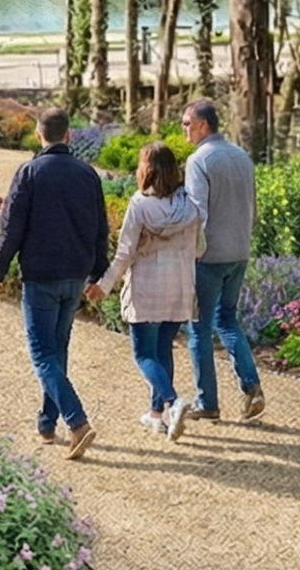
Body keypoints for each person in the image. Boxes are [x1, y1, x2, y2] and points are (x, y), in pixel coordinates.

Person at [0, 109, 110, 459]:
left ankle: (77, 422)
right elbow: (100, 228)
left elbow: (12, 225)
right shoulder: (88, 175)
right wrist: (98, 273)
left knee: (43, 353)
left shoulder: (29, 172)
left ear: (38, 134)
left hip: (41, 274)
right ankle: (47, 422)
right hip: (75, 273)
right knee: (57, 350)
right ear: (69, 136)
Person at [85, 140, 204, 439]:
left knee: (143, 355)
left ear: (147, 170)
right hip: (179, 289)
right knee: (163, 350)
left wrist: (104, 285)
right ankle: (157, 415)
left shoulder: (140, 204)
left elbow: (125, 253)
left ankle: (172, 402)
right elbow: (200, 248)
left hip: (147, 289)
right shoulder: (191, 206)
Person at [181, 98, 266, 422]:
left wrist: (187, 253)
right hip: (239, 251)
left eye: (187, 123)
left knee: (198, 328)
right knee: (227, 320)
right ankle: (251, 386)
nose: (184, 129)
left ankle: (208, 403)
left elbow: (197, 212)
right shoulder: (241, 156)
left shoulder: (199, 160)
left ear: (204, 125)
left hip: (209, 257)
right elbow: (252, 207)